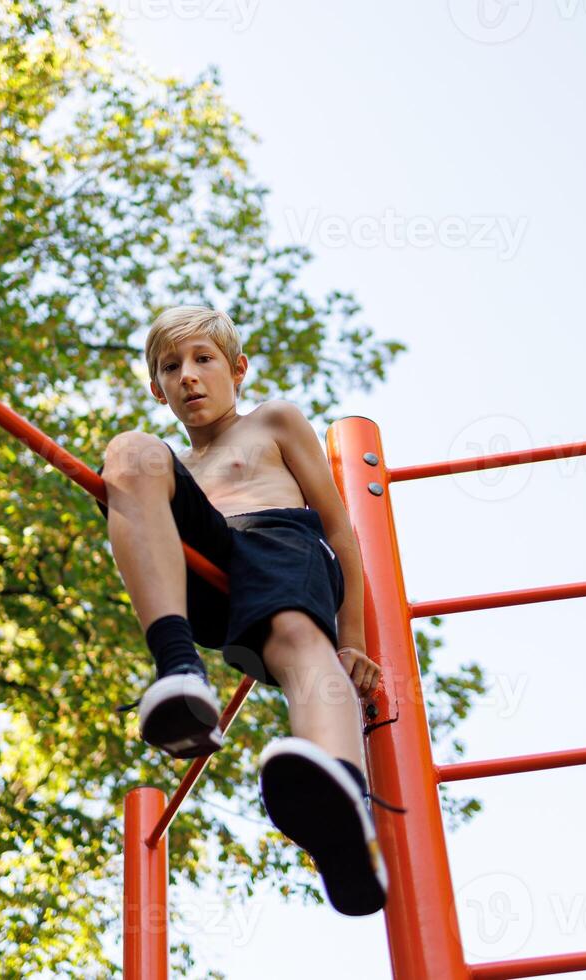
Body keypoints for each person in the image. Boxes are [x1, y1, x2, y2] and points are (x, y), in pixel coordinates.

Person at [96, 305, 390, 916]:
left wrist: (352, 637)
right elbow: (144, 525)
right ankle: (177, 667)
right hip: (206, 571)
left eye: (204, 360)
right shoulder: (177, 465)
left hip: (279, 544)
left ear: (238, 369)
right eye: (171, 368)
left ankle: (341, 804)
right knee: (127, 452)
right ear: (158, 389)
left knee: (294, 640)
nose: (189, 377)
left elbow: (339, 530)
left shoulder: (272, 422)